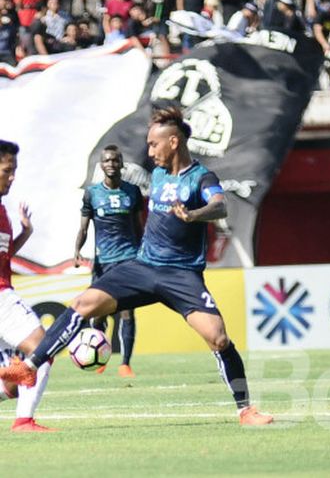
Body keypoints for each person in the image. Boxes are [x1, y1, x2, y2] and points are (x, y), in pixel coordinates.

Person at [0, 107, 273, 426]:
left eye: (154, 144)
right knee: (82, 304)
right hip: (143, 266)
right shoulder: (156, 174)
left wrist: (196, 214)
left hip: (181, 274)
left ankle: (246, 410)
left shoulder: (201, 177)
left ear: (173, 142)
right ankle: (29, 366)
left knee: (218, 338)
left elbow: (220, 204)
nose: (149, 150)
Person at [73, 145, 143, 378]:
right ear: (101, 165)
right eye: (107, 160)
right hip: (103, 261)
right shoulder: (92, 194)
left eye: (115, 160)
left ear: (122, 164)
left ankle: (125, 363)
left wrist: (144, 252)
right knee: (99, 312)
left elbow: (138, 226)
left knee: (126, 311)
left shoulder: (133, 192)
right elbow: (84, 227)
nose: (111, 164)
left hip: (129, 259)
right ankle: (100, 357)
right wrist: (76, 250)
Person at [0, 139, 55, 432]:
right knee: (42, 349)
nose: (12, 177)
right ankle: (24, 421)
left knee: (10, 382)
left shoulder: (2, 210)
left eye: (15, 170)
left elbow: (4, 256)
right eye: (7, 170)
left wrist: (25, 234)